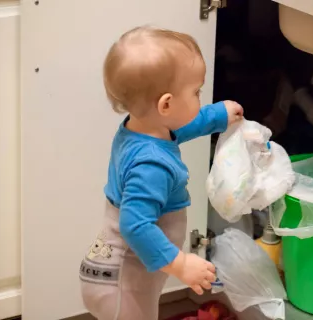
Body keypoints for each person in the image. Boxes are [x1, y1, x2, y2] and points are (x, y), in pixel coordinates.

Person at [79, 26, 244, 320]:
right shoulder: (151, 165)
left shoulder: (144, 128)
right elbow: (134, 225)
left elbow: (180, 126)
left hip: (118, 273)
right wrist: (180, 265)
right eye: (196, 92)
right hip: (123, 283)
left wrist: (218, 115)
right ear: (166, 103)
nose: (199, 96)